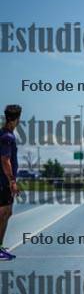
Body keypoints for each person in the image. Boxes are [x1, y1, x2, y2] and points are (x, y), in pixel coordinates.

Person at [0, 104, 21, 261]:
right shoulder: (7, 137)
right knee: (4, 213)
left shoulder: (4, 133)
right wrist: (12, 181)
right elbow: (5, 160)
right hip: (3, 182)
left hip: (3, 181)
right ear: (16, 120)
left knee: (7, 213)